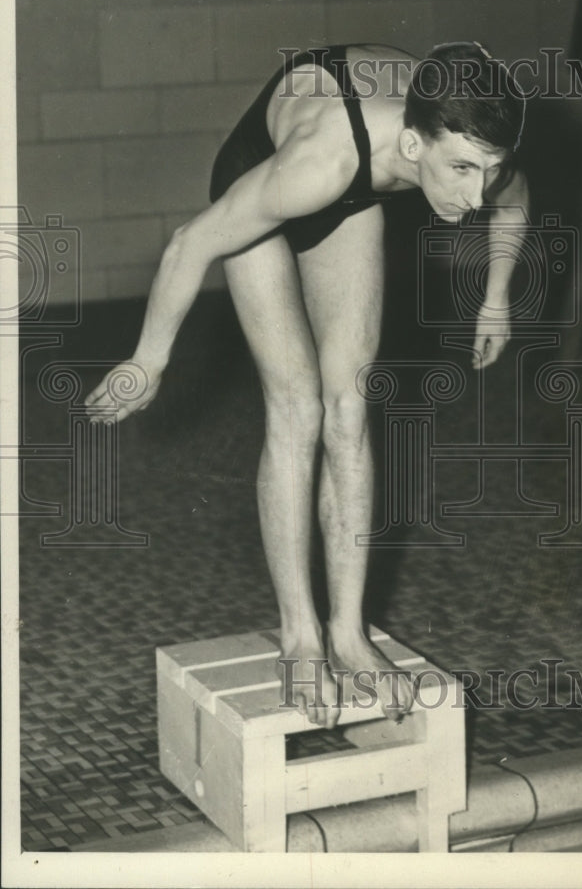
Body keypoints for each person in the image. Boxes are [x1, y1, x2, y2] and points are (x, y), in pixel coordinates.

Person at [86, 41, 528, 729]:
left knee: (349, 407)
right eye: (462, 172)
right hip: (273, 164)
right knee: (296, 406)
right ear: (414, 145)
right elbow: (189, 243)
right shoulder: (316, 164)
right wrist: (148, 360)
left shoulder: (477, 156)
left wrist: (496, 298)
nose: (476, 197)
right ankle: (299, 634)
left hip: (355, 187)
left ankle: (348, 634)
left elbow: (513, 204)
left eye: (488, 173)